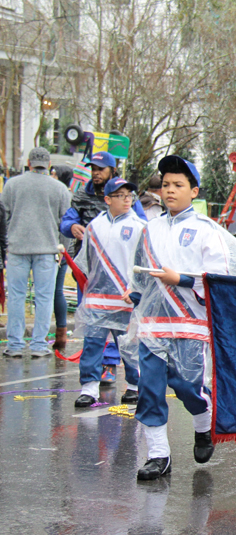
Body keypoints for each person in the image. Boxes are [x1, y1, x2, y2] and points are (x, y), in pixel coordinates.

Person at [125, 155, 236, 480]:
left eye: (178, 185)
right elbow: (140, 269)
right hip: (154, 324)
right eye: (166, 184)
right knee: (149, 387)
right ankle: (158, 454)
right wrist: (136, 294)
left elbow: (219, 278)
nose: (170, 190)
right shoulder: (150, 229)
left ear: (194, 191)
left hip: (190, 323)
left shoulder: (206, 231)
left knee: (188, 387)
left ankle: (203, 422)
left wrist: (181, 279)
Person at [61, 151, 147, 381]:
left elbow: (141, 233)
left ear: (111, 170)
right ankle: (92, 376)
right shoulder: (82, 195)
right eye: (93, 169)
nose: (96, 173)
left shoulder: (129, 202)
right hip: (92, 272)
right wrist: (72, 228)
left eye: (100, 169)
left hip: (121, 279)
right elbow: (68, 219)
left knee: (125, 332)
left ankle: (113, 366)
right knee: (94, 328)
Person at [73, 177, 145, 407]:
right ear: (107, 199)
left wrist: (136, 289)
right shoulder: (94, 226)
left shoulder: (140, 227)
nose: (127, 199)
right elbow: (85, 262)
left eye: (129, 195)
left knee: (129, 345)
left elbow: (144, 262)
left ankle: (134, 386)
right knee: (92, 344)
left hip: (125, 298)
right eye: (120, 195)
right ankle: (89, 388)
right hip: (97, 298)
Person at [1, 147, 71, 357]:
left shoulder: (12, 185)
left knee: (16, 297)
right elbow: (66, 223)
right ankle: (39, 345)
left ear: (29, 164)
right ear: (48, 165)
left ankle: (14, 344)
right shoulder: (59, 189)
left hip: (17, 249)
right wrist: (63, 250)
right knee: (44, 297)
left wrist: (5, 245)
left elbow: (3, 216)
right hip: (47, 249)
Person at [50, 164, 74, 349]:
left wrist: (62, 250)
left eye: (54, 174)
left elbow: (64, 224)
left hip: (59, 250)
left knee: (56, 291)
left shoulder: (63, 195)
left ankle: (61, 330)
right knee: (54, 291)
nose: (51, 177)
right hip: (60, 250)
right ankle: (61, 332)